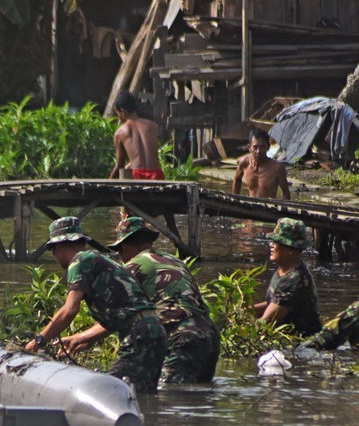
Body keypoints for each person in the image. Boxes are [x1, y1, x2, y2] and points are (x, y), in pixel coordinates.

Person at [23, 217, 168, 393]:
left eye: (52, 249)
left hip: (139, 334)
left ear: (60, 245)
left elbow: (69, 310)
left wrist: (39, 341)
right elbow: (125, 312)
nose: (54, 255)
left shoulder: (79, 261)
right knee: (140, 396)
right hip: (155, 332)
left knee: (112, 392)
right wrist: (86, 339)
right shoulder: (99, 260)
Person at [106, 217, 220, 383]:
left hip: (182, 336)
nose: (121, 257)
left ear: (124, 246)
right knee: (201, 396)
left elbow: (120, 315)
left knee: (169, 395)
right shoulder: (176, 261)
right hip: (210, 333)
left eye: (119, 251)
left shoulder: (133, 266)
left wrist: (81, 338)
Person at [254, 218, 322, 336]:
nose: (271, 245)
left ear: (291, 249)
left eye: (276, 243)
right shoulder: (283, 270)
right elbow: (274, 302)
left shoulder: (294, 280)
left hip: (304, 346)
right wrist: (245, 310)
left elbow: (266, 322)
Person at [109, 91, 163, 180]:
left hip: (137, 175)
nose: (118, 117)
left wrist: (108, 182)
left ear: (123, 112)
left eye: (117, 114)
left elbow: (120, 166)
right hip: (156, 175)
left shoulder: (120, 132)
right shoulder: (153, 126)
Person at [231, 128, 290, 199]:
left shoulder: (277, 168)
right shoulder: (244, 162)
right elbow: (237, 180)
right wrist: (235, 200)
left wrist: (279, 207)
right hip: (249, 206)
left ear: (268, 147)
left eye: (262, 147)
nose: (258, 151)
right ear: (249, 147)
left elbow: (286, 194)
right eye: (255, 147)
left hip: (268, 208)